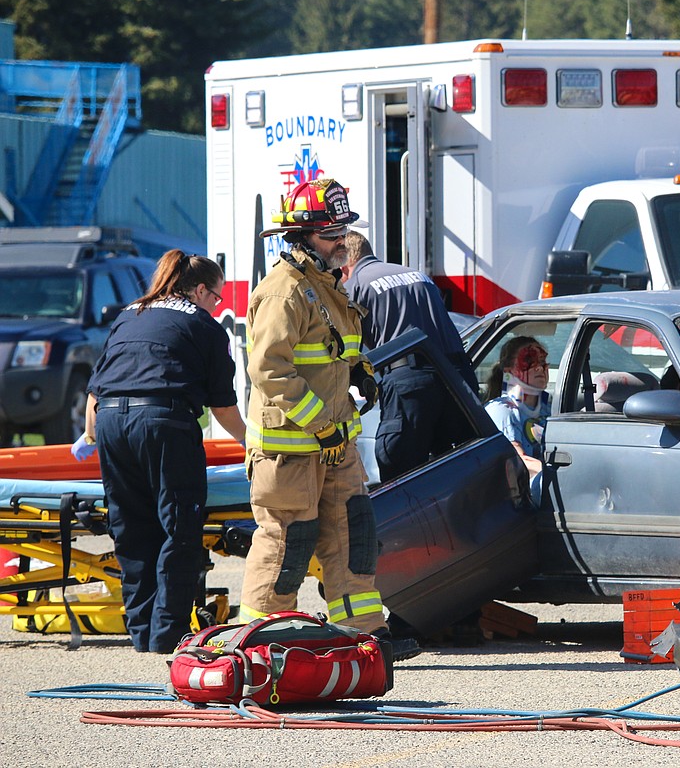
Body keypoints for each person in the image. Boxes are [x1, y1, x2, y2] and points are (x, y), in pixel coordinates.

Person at [243, 178, 416, 660]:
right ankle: (260, 642)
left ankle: (364, 638)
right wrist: (322, 425)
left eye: (343, 231)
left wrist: (359, 369)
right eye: (329, 233)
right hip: (292, 449)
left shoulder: (325, 286)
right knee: (287, 544)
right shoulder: (284, 292)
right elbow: (269, 370)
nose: (342, 241)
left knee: (352, 534)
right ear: (298, 237)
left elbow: (332, 351)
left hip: (335, 443)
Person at [72, 250, 246, 653]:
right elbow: (222, 408)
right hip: (164, 423)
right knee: (179, 528)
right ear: (201, 290)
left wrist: (93, 437)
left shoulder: (129, 314)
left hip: (112, 422)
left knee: (131, 529)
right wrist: (254, 444)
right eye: (216, 297)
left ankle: (140, 634)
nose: (216, 306)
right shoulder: (202, 325)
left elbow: (95, 397)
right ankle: (166, 639)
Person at [343, 232, 478, 483]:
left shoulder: (355, 283)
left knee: (398, 471)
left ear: (343, 265)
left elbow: (345, 346)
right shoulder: (418, 275)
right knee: (461, 471)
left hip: (411, 385)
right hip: (458, 379)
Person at [483, 336, 552, 492]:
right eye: (529, 360)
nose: (539, 367)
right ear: (508, 370)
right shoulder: (502, 410)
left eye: (542, 361)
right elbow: (518, 460)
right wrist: (558, 475)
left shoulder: (549, 409)